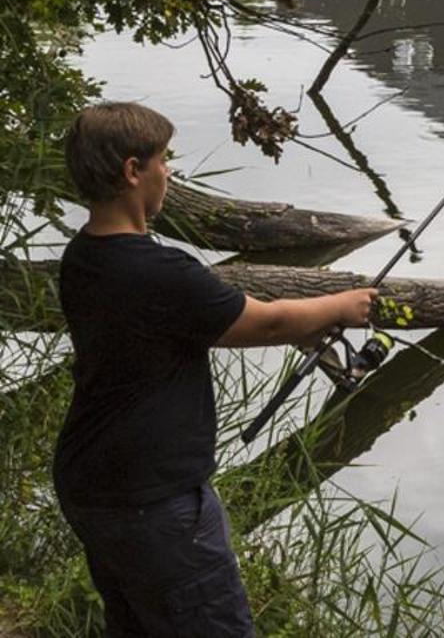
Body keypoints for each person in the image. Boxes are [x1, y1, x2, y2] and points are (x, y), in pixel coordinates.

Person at [52, 102, 378, 636]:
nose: (169, 172)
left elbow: (196, 313)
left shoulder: (83, 256)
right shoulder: (155, 271)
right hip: (155, 500)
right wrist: (344, 306)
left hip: (92, 483)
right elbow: (267, 325)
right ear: (133, 172)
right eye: (162, 160)